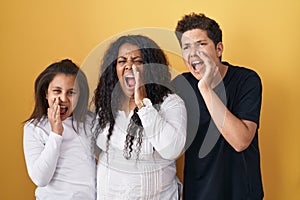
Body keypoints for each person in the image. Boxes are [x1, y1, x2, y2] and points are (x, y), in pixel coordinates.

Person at [172, 13, 264, 200]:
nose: (193, 53)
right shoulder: (180, 85)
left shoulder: (247, 80)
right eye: (186, 47)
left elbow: (240, 141)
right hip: (198, 193)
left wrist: (205, 88)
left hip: (242, 193)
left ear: (219, 48)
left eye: (201, 44)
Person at [93, 35, 187, 199]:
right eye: (122, 61)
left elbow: (172, 149)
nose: (129, 66)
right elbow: (97, 149)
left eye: (137, 61)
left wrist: (143, 104)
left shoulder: (170, 103)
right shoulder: (107, 104)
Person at [23, 59, 96, 200]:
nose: (63, 98)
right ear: (46, 93)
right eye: (57, 91)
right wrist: (56, 133)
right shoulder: (34, 128)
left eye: (71, 92)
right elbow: (40, 179)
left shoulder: (90, 122)